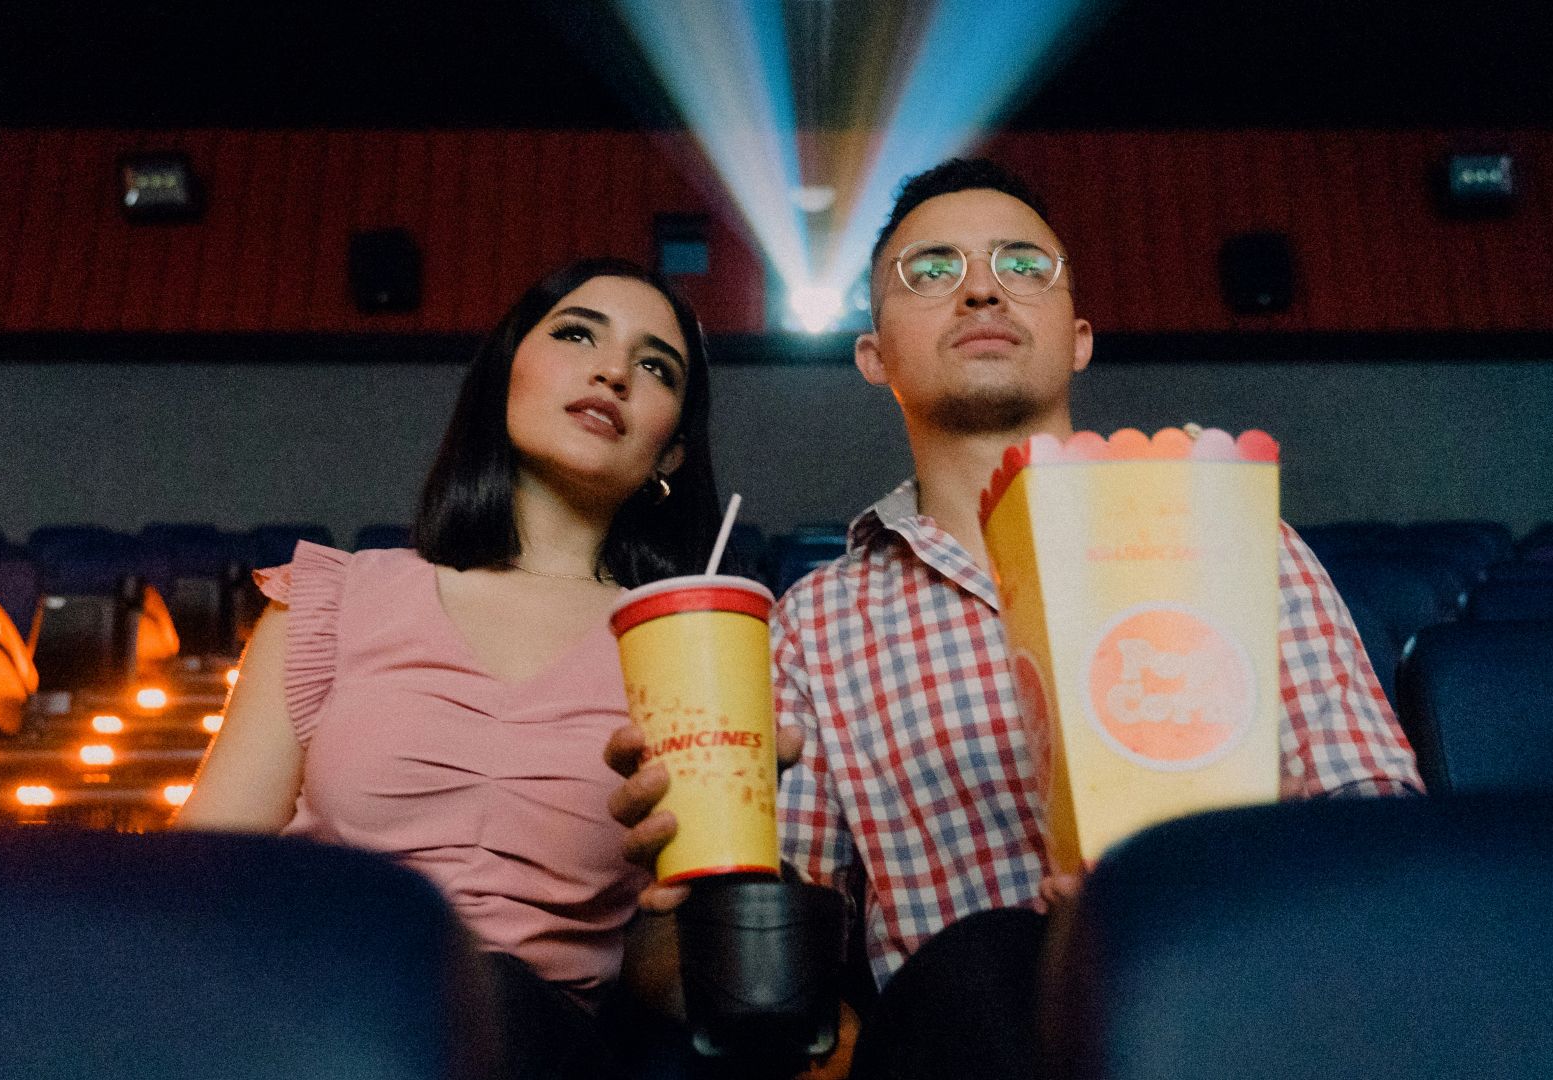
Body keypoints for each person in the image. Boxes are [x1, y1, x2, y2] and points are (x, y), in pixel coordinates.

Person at [606, 159, 1423, 1079]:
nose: (984, 288)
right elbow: (763, 960)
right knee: (993, 958)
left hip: (1244, 1000)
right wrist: (691, 887)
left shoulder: (1237, 538)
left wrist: (1188, 896)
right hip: (977, 1028)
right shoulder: (816, 623)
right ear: (874, 356)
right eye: (932, 270)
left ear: (1076, 338)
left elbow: (1383, 834)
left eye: (1023, 265)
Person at [178, 256, 723, 1079]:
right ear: (505, 373)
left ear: (672, 451)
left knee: (493, 995)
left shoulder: (691, 649)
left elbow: (679, 973)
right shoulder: (335, 598)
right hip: (316, 1017)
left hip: (545, 1041)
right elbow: (205, 878)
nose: (613, 371)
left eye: (655, 367)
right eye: (578, 335)